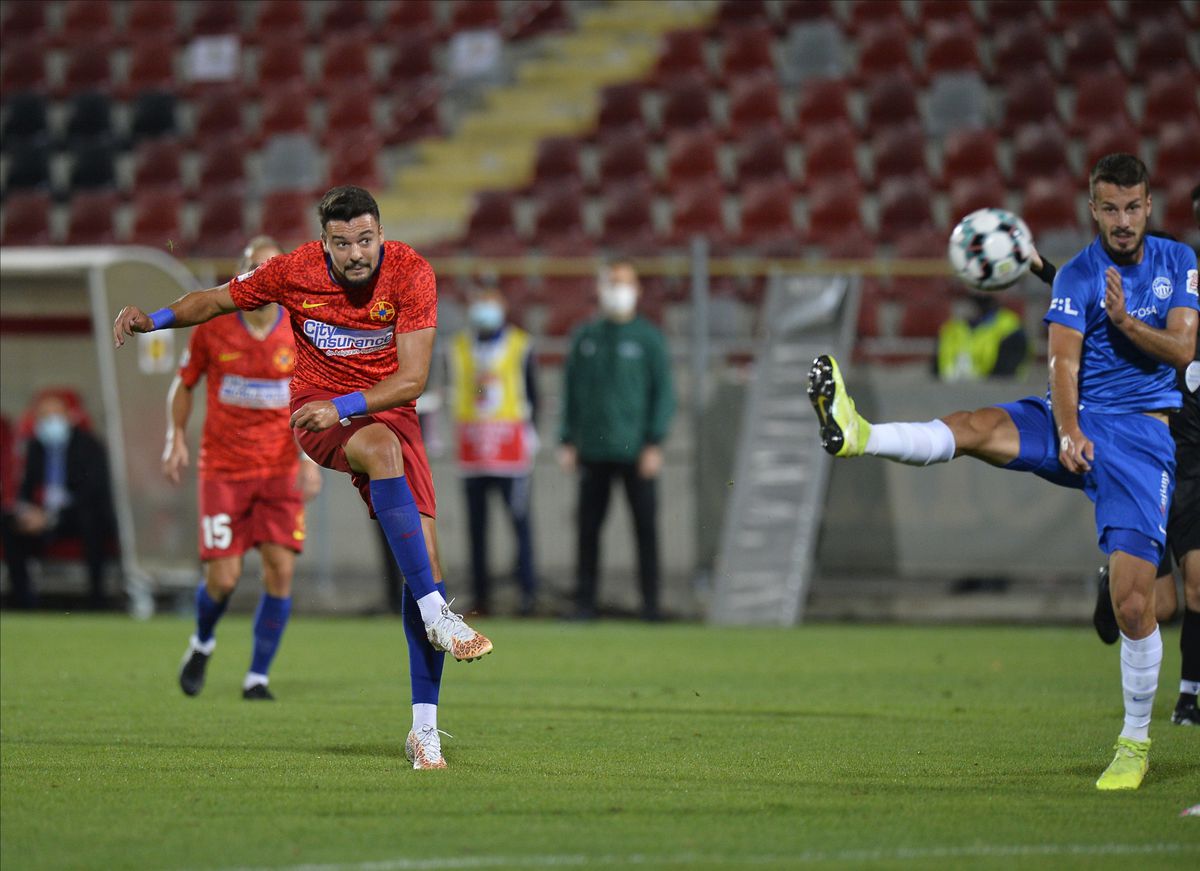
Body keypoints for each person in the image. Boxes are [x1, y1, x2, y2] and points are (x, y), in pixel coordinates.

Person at [807, 154, 1198, 790]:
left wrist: (1125, 321)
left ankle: (1134, 741)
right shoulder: (1077, 272)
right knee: (975, 425)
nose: (1122, 221)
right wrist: (1068, 429)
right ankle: (858, 434)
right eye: (1110, 208)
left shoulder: (1178, 262)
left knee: (1135, 605)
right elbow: (1062, 363)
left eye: (1133, 207)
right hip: (1076, 417)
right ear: (1092, 209)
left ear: (1148, 206)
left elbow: (1184, 348)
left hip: (1142, 437)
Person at [114, 186, 492, 770]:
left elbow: (413, 380)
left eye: (366, 239)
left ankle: (424, 730)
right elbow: (217, 301)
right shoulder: (293, 271)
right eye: (343, 244)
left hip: (384, 408)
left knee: (427, 569)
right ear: (326, 243)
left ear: (381, 234)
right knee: (386, 462)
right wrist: (154, 319)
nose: (356, 253)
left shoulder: (412, 273)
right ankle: (437, 613)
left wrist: (349, 405)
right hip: (318, 411)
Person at [163, 236, 323, 701]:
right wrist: (175, 436)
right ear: (244, 276)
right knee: (225, 578)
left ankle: (257, 677)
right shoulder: (214, 327)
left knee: (280, 571)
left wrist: (310, 459)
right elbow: (184, 383)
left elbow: (313, 397)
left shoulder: (300, 327)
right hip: (224, 471)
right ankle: (202, 641)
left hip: (278, 469)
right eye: (259, 269)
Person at [558, 260, 676, 621]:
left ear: (638, 290)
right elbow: (571, 392)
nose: (617, 290)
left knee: (645, 529)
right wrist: (567, 439)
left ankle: (651, 605)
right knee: (588, 530)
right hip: (593, 450)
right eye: (612, 282)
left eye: (624, 283)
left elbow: (664, 394)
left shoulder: (650, 339)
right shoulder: (586, 337)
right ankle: (585, 603)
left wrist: (655, 442)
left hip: (636, 449)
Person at [446, 283, 540, 616]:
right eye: (479, 301)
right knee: (476, 529)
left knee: (519, 523)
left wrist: (532, 434)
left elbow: (532, 394)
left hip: (509, 451)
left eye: (491, 301)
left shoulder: (519, 344)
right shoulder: (457, 347)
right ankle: (482, 597)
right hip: (472, 452)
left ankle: (528, 593)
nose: (485, 308)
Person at [1, 390, 117, 610]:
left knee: (91, 520)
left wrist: (52, 517)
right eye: (45, 416)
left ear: (69, 416)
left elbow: (93, 492)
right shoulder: (35, 447)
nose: (50, 421)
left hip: (73, 515)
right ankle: (22, 600)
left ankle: (96, 600)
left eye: (56, 414)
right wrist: (28, 512)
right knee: (8, 522)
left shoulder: (88, 445)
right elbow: (25, 488)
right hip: (42, 515)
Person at [935, 290, 1029, 381]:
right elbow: (936, 369)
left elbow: (1005, 375)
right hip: (950, 392)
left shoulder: (1010, 329)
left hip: (996, 392)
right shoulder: (951, 328)